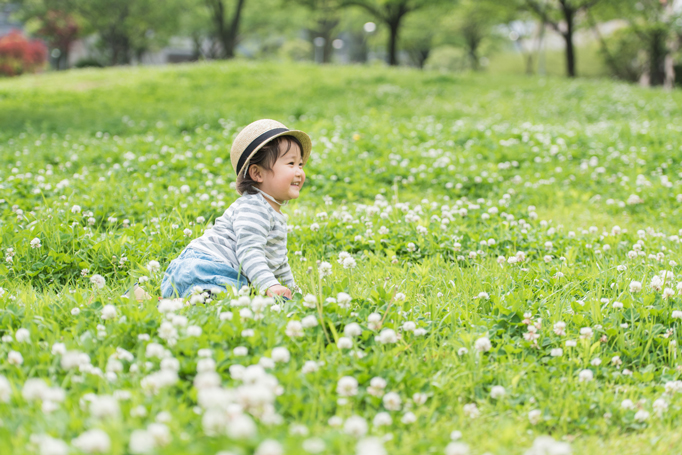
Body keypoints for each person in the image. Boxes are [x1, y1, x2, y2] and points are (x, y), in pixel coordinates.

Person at [159, 119, 311, 300]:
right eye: (290, 164)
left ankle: (158, 297)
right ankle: (169, 303)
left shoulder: (272, 212)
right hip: (205, 268)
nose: (299, 172)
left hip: (199, 271)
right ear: (257, 174)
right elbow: (250, 252)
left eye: (300, 164)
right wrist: (270, 285)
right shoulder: (254, 208)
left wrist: (293, 292)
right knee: (227, 302)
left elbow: (278, 262)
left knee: (239, 297)